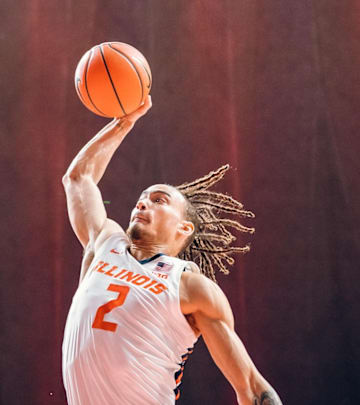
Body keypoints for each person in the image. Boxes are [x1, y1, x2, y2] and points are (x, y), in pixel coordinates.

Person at [61, 96, 281, 405]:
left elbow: (252, 389)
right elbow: (78, 178)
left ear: (184, 228)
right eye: (142, 197)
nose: (143, 202)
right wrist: (124, 122)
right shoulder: (105, 243)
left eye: (159, 200)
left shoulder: (190, 286)